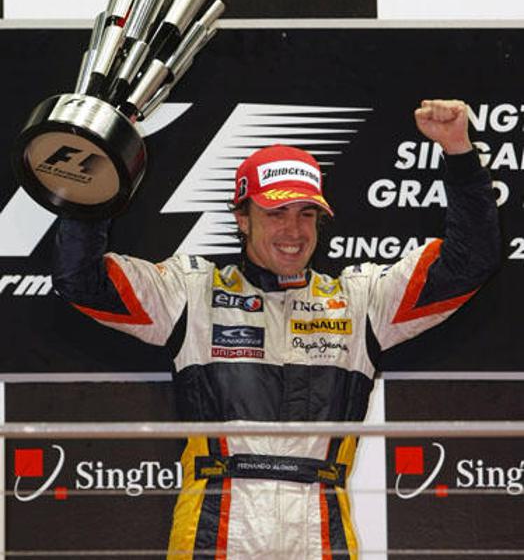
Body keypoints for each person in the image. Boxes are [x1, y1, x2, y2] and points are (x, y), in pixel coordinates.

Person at [53, 99, 499, 559]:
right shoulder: (191, 291)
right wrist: (97, 174)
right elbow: (82, 281)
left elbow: (469, 263)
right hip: (216, 529)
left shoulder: (361, 299)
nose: (294, 230)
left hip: (319, 529)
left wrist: (459, 153)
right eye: (276, 213)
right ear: (241, 218)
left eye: (306, 213)